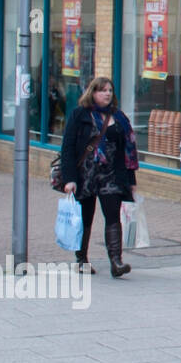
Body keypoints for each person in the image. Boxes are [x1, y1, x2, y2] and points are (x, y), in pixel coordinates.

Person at [59, 76, 138, 278]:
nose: (107, 94)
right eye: (103, 90)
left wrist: (131, 181)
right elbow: (67, 147)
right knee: (85, 219)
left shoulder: (119, 117)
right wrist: (69, 179)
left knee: (113, 217)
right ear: (92, 93)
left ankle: (116, 262)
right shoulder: (80, 115)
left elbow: (128, 151)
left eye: (110, 90)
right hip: (85, 174)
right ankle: (82, 259)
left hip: (111, 175)